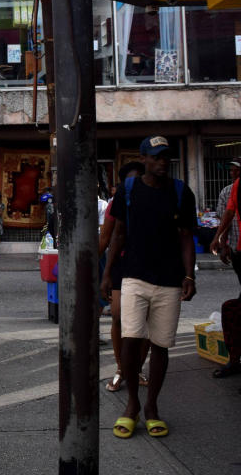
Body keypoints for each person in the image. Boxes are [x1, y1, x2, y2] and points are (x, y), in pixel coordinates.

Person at [102, 136, 197, 440]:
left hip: (169, 281)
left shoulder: (181, 192)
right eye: (156, 157)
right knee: (130, 340)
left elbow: (185, 237)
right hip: (133, 277)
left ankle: (152, 407)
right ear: (143, 159)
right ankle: (132, 405)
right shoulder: (129, 191)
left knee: (161, 345)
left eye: (166, 157)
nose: (162, 162)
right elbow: (118, 233)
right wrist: (106, 274)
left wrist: (189, 275)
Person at [100, 161, 149, 393]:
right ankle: (121, 368)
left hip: (149, 265)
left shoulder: (155, 198)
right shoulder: (115, 203)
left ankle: (137, 369)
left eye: (139, 177)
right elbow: (105, 239)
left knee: (145, 322)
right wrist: (99, 273)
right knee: (118, 317)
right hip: (121, 263)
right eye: (131, 179)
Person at [209, 158, 241, 382]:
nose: (232, 173)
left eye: (235, 170)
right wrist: (220, 241)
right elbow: (227, 216)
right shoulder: (232, 189)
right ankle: (235, 358)